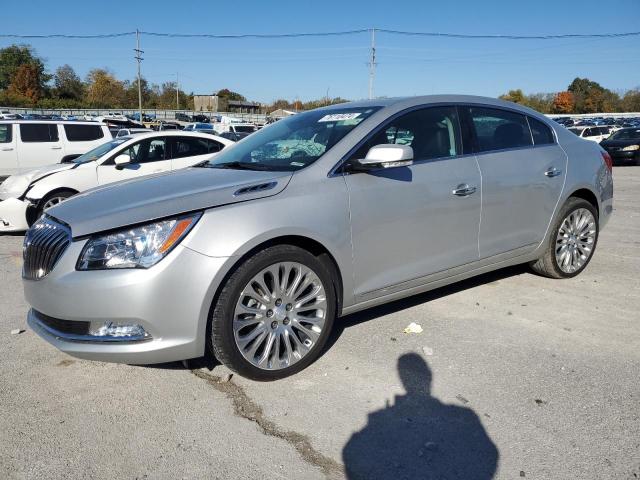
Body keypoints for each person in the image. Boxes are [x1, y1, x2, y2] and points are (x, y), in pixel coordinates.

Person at [342, 353, 498, 480]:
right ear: (429, 376)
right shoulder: (465, 415)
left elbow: (350, 452)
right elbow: (490, 455)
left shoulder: (464, 415)